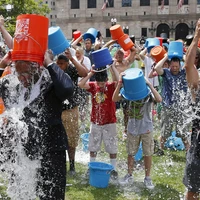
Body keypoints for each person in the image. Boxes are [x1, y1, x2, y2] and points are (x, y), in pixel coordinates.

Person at [0, 49, 74, 200]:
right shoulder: (11, 84)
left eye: (25, 74)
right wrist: (2, 65)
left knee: (52, 196)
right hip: (22, 150)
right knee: (20, 194)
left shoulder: (52, 83)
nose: (22, 79)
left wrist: (49, 63)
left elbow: (67, 89)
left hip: (51, 150)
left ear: (37, 67)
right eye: (19, 74)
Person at [112, 70, 162, 189]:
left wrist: (149, 84)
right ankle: (129, 174)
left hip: (146, 128)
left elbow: (159, 99)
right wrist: (119, 83)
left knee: (148, 153)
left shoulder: (148, 94)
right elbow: (114, 99)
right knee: (131, 153)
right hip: (132, 128)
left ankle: (147, 178)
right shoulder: (128, 94)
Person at [78, 65, 119, 178]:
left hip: (109, 122)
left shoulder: (110, 87)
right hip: (95, 122)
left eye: (102, 83)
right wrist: (91, 73)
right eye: (98, 83)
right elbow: (81, 84)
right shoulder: (93, 86)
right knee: (93, 147)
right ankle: (91, 167)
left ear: (106, 80)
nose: (100, 85)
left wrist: (112, 67)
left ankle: (114, 169)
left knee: (112, 147)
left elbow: (118, 80)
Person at [56, 49, 87, 176]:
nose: (59, 66)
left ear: (67, 63)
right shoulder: (53, 71)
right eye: (58, 63)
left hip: (71, 109)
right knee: (58, 139)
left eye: (62, 63)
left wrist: (73, 58)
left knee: (71, 139)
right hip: (57, 110)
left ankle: (72, 165)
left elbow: (84, 73)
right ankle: (59, 165)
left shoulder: (72, 70)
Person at [154, 53, 190, 151]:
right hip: (167, 106)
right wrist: (166, 56)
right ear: (169, 65)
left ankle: (188, 150)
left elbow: (191, 66)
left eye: (177, 66)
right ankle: (160, 149)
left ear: (180, 65)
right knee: (165, 131)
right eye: (173, 66)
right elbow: (157, 68)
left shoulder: (183, 72)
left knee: (183, 131)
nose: (175, 68)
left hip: (181, 106)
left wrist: (183, 55)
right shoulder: (166, 73)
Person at [183, 19, 200, 200]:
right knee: (194, 190)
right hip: (199, 142)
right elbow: (188, 66)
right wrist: (196, 37)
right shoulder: (197, 85)